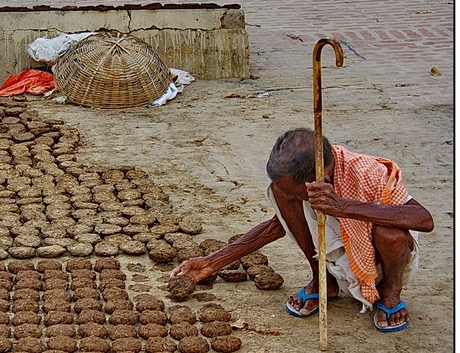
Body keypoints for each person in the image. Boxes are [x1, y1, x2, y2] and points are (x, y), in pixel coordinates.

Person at [170, 128, 434, 332]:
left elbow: (424, 220)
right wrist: (212, 262)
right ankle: (323, 280)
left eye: (297, 193)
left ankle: (390, 293)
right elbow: (277, 225)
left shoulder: (368, 172)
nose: (290, 198)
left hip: (383, 261)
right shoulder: (295, 185)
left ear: (323, 178)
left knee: (391, 234)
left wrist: (343, 207)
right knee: (281, 194)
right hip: (337, 258)